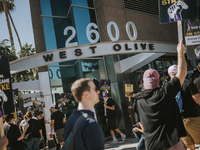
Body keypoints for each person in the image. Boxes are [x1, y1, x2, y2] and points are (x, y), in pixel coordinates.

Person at [134, 40, 187, 150]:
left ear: (143, 82)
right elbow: (181, 73)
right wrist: (180, 53)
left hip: (151, 145)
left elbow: (140, 123)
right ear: (158, 81)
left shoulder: (138, 100)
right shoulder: (164, 92)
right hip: (171, 144)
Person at [64, 78, 105, 150]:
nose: (98, 91)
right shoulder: (90, 124)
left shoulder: (70, 120)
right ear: (86, 94)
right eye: (95, 89)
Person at [168, 64, 200, 150]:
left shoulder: (167, 88)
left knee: (189, 146)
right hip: (192, 118)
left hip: (178, 122)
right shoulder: (188, 83)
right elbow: (198, 100)